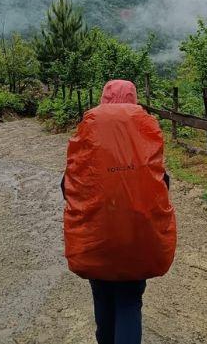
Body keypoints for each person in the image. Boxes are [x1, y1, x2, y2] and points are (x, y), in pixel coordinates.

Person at [61, 79, 177, 344]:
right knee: (129, 302)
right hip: (137, 238)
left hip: (96, 239)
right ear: (134, 99)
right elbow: (162, 187)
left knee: (102, 297)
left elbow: (69, 186)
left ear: (103, 98)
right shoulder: (146, 128)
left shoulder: (88, 129)